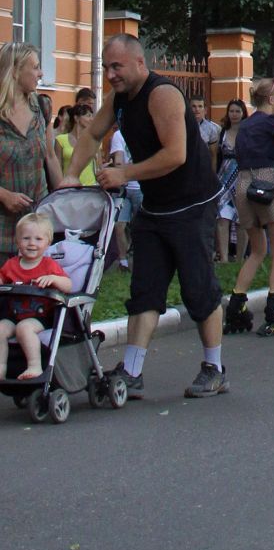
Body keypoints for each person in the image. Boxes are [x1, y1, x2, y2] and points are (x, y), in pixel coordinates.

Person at [71, 35, 228, 400]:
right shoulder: (120, 98)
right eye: (106, 67)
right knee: (144, 289)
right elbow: (93, 133)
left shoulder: (162, 94)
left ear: (140, 63)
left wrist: (125, 174)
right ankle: (132, 370)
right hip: (155, 207)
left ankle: (214, 368)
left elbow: (175, 154)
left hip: (191, 206)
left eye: (117, 67)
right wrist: (69, 175)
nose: (110, 75)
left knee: (198, 289)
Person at [223, 78, 274, 337]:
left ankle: (236, 305)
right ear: (271, 100)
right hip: (268, 181)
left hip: (243, 184)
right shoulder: (272, 121)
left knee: (256, 249)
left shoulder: (245, 125)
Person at [0, 44, 66, 258]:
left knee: (33, 290)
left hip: (36, 227)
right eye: (36, 67)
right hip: (2, 229)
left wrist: (65, 198)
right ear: (15, 71)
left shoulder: (42, 107)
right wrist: (4, 195)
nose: (41, 74)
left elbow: (50, 157)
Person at [0, 211, 72, 379]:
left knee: (24, 328)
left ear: (48, 243)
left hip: (40, 317)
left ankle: (35, 367)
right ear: (17, 241)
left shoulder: (49, 265)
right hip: (13, 315)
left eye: (38, 239)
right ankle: (2, 368)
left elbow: (68, 286)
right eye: (26, 238)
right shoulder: (11, 265)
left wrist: (53, 279)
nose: (32, 243)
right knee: (0, 329)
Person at [214, 98, 247, 262]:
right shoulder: (222, 132)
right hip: (223, 181)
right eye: (231, 111)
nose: (234, 114)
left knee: (242, 220)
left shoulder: (247, 132)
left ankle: (240, 259)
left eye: (237, 111)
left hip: (242, 180)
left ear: (243, 113)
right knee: (222, 218)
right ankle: (224, 259)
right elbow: (215, 156)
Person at [191, 96, 221, 174]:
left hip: (203, 169)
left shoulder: (212, 128)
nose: (197, 109)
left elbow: (213, 155)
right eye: (193, 106)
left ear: (205, 110)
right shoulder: (181, 126)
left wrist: (213, 176)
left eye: (200, 106)